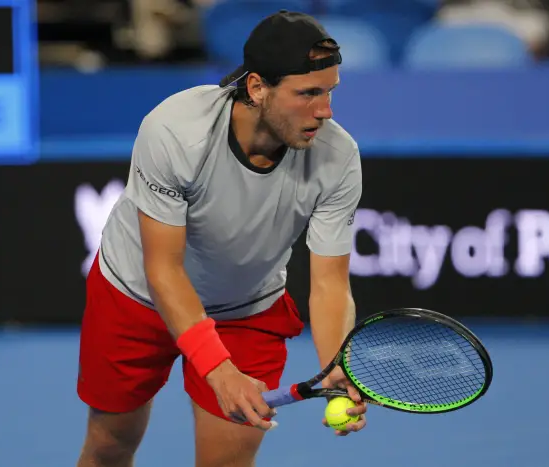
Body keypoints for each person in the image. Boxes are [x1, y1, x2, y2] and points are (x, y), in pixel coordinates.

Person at [75, 9, 367, 467]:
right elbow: (163, 269)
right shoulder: (176, 131)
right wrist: (216, 368)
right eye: (308, 93)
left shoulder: (339, 157)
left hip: (246, 310)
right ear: (257, 87)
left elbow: (330, 283)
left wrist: (335, 365)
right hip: (136, 297)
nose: (325, 111)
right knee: (110, 445)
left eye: (329, 92)